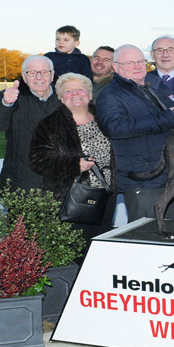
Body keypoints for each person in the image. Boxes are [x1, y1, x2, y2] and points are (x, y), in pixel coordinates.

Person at [96, 44, 174, 221]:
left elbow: (166, 119)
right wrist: (171, 118)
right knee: (149, 237)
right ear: (116, 67)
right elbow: (117, 127)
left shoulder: (150, 88)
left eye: (140, 61)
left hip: (166, 177)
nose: (137, 66)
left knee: (173, 236)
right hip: (143, 181)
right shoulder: (110, 95)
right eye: (130, 63)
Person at [30, 73, 115, 240]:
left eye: (80, 90)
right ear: (61, 98)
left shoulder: (106, 119)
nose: (75, 94)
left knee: (100, 244)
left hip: (106, 196)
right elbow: (37, 161)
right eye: (69, 91)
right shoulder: (49, 124)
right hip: (70, 198)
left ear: (90, 95)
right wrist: (73, 165)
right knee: (75, 247)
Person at [0, 55, 61, 191]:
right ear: (24, 77)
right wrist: (6, 103)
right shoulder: (14, 97)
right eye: (32, 73)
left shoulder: (66, 97)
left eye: (44, 72)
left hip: (60, 183)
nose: (39, 77)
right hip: (21, 184)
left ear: (52, 74)